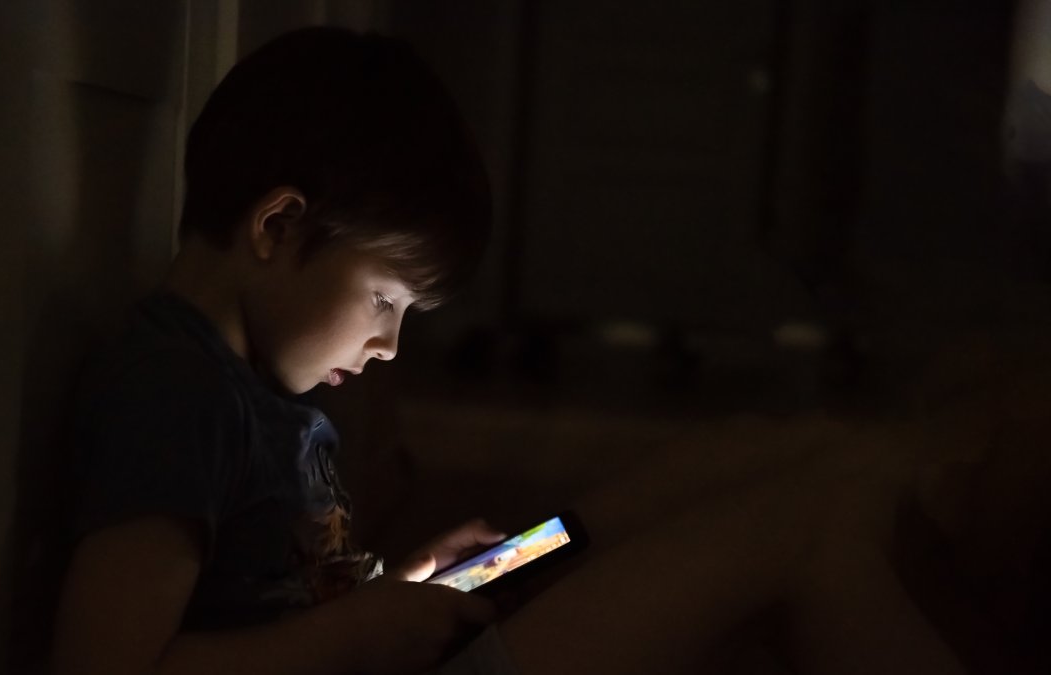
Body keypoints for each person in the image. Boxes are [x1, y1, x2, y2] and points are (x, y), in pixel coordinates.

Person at [52, 26, 966, 675]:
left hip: (374, 641)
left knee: (730, 467)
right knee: (796, 533)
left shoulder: (255, 387)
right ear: (280, 225)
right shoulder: (175, 394)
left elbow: (291, 595)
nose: (387, 345)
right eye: (384, 298)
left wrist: (400, 581)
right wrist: (348, 639)